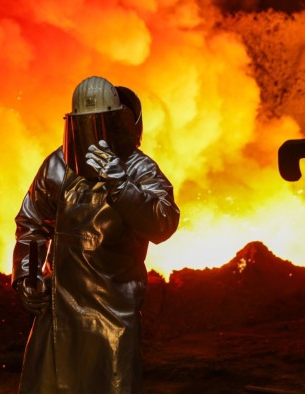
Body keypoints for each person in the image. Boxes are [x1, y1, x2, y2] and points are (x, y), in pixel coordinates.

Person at [12, 76, 180, 393]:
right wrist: (29, 275)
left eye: (98, 123)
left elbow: (163, 224)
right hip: (58, 306)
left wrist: (122, 184)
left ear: (115, 122)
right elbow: (32, 222)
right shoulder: (57, 166)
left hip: (114, 311)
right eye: (84, 124)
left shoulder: (139, 170)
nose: (90, 133)